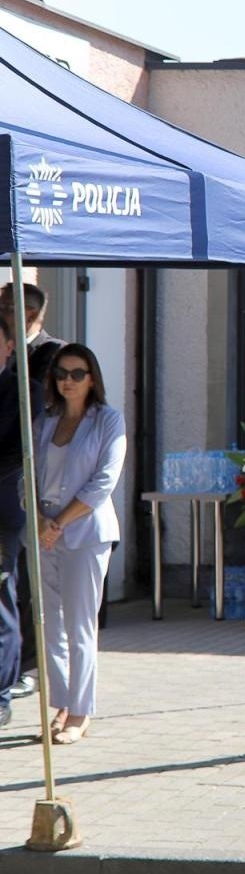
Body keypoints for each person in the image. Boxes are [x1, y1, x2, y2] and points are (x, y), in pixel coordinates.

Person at [32, 344, 127, 745]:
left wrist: (61, 522)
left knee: (79, 624)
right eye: (61, 373)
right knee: (50, 625)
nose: (68, 381)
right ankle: (61, 705)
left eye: (77, 373)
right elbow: (28, 474)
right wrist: (40, 519)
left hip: (85, 531)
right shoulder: (46, 420)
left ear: (92, 379)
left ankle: (81, 711)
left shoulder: (108, 420)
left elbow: (104, 481)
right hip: (43, 530)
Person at [0, 281, 63, 701]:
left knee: (21, 584)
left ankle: (25, 667)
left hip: (25, 488)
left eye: (10, 306)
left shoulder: (51, 354)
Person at [0, 315, 42, 728]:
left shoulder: (23, 392)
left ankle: (0, 694)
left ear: (9, 347)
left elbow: (17, 454)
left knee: (1, 599)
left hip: (1, 512)